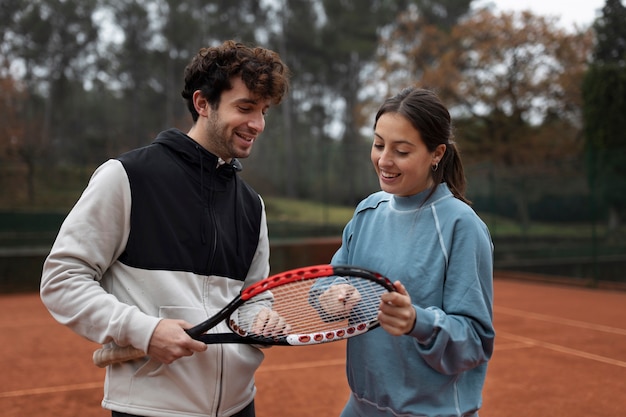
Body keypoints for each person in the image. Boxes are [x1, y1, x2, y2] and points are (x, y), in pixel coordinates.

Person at [40, 40, 290, 417]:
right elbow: (62, 279)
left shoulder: (251, 205)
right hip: (152, 409)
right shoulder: (126, 177)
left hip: (240, 406)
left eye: (263, 110)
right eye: (245, 107)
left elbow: (252, 298)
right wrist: (145, 331)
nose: (257, 123)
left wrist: (261, 319)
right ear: (202, 104)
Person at [319, 87, 495, 417]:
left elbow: (475, 341)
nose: (384, 160)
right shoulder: (366, 212)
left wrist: (418, 321)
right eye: (378, 144)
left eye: (401, 151)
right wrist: (330, 297)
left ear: (436, 153)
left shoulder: (462, 226)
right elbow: (325, 284)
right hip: (360, 408)